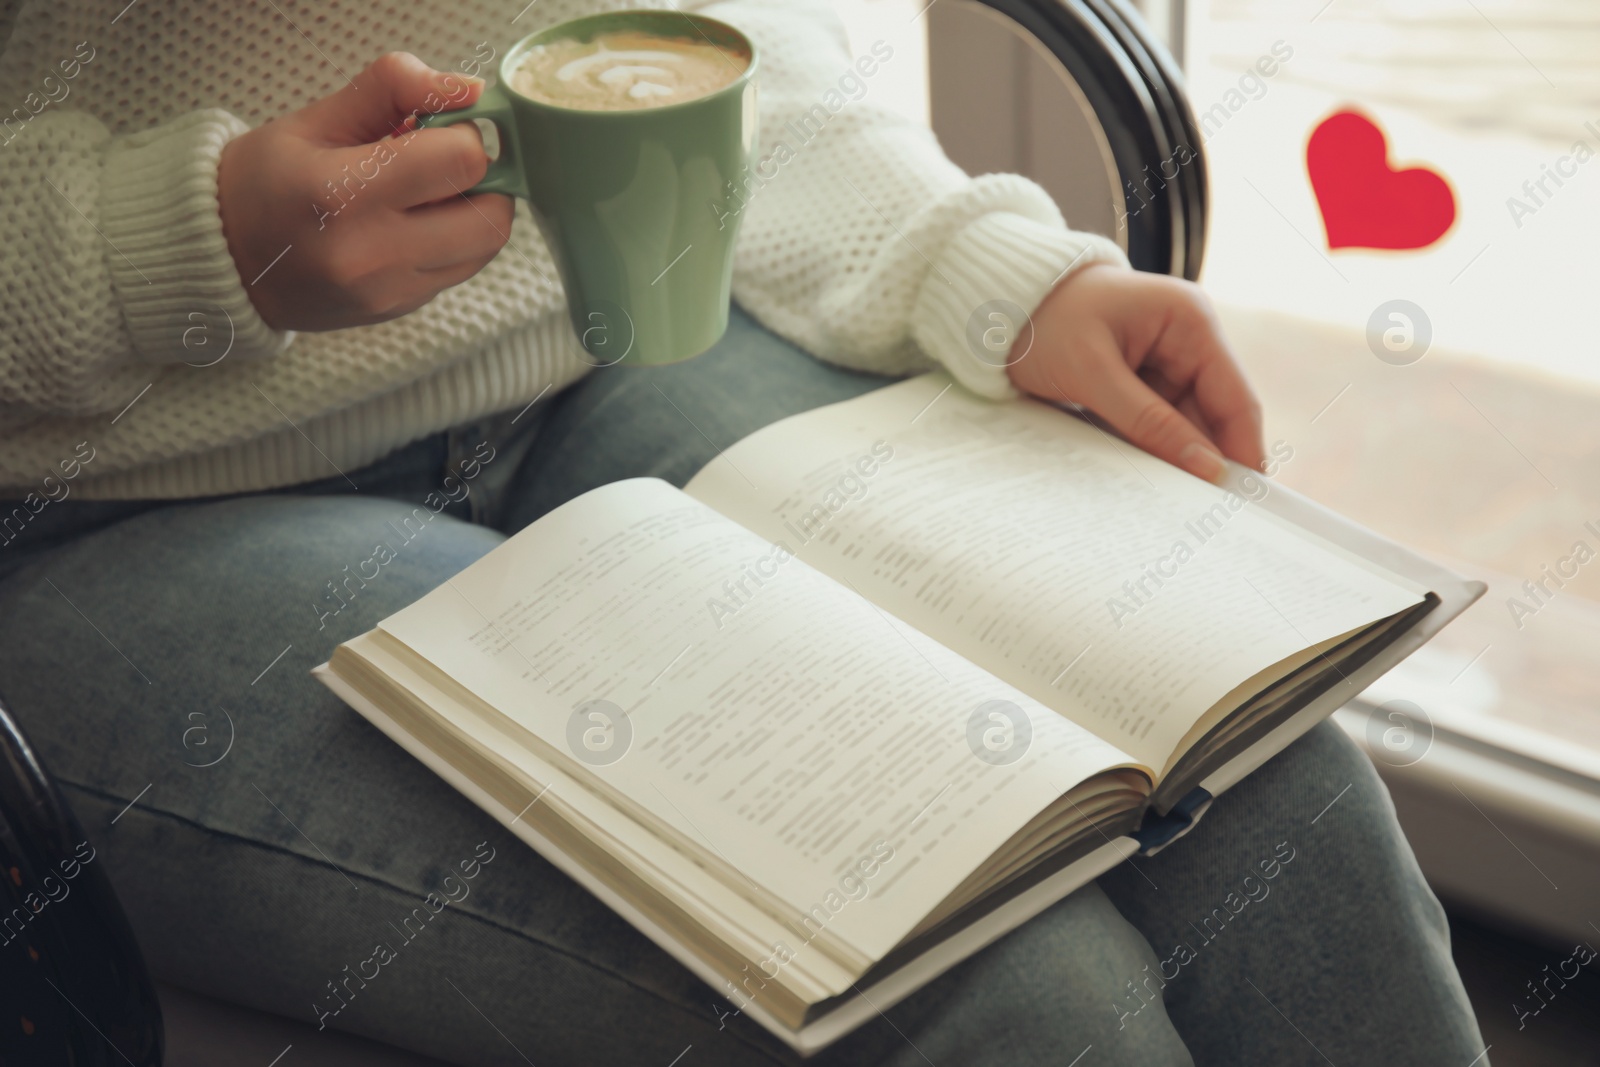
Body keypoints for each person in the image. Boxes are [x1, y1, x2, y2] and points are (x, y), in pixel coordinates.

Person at [0, 1, 1487, 1063]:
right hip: (98, 509)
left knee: (1280, 791)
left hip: (604, 353)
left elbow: (727, 32)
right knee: (995, 980)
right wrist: (174, 242)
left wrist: (989, 266)